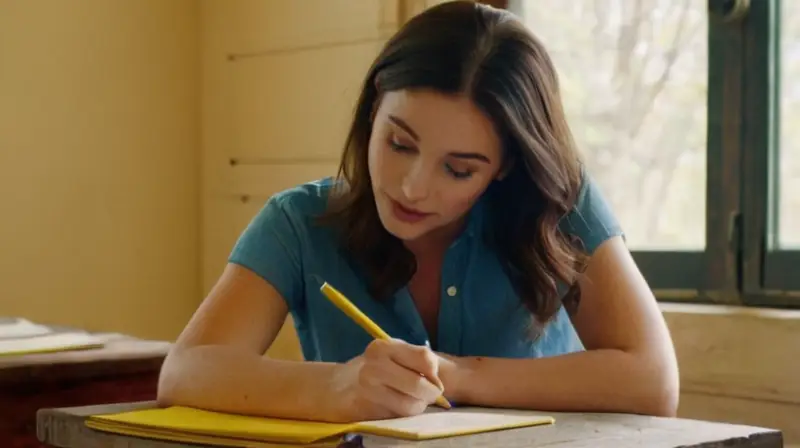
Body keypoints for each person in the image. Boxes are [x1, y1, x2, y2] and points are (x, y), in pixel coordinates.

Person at [157, 1, 679, 423]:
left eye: (458, 170)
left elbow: (653, 380)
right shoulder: (300, 222)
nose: (412, 187)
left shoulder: (558, 204)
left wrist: (461, 376)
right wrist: (336, 387)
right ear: (375, 105)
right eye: (400, 143)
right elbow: (186, 372)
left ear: (505, 166)